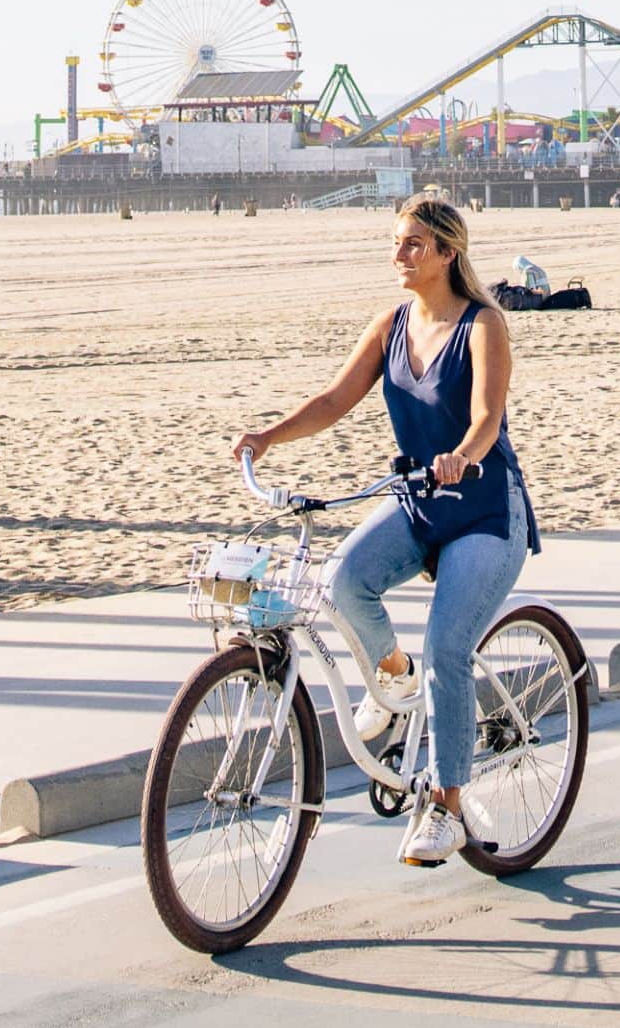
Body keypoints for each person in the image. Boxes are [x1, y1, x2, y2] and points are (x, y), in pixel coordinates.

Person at [227, 193, 540, 867]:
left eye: (413, 245)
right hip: (420, 501)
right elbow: (336, 400)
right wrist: (268, 437)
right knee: (343, 582)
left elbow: (487, 415)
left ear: (448, 254)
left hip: (484, 508)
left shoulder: (483, 324)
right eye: (397, 242)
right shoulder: (391, 324)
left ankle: (446, 808)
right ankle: (394, 685)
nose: (399, 255)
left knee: (448, 648)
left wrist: (465, 453)